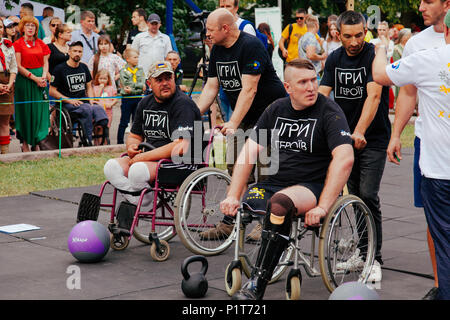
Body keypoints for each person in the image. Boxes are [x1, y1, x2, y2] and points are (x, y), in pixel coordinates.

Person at [221, 58, 354, 300]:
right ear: (288, 87)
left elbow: (345, 158)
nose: (311, 87)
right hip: (276, 183)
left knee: (279, 204)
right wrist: (232, 194)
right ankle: (266, 261)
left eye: (314, 80)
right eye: (303, 82)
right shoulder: (276, 109)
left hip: (312, 186)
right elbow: (249, 152)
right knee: (250, 201)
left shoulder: (330, 112)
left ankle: (257, 284)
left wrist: (324, 206)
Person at [372, 10, 450, 301]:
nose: (421, 6)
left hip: (440, 169)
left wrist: (381, 47)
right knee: (440, 233)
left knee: (445, 237)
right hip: (436, 158)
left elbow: (380, 75)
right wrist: (396, 134)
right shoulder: (421, 47)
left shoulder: (431, 58)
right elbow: (407, 92)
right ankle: (441, 287)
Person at [195, 8, 287, 240]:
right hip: (244, 114)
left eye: (211, 30)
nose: (208, 35)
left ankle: (265, 223)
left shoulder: (251, 45)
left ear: (225, 28)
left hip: (270, 111)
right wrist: (192, 116)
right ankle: (229, 222)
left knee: (266, 171)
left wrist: (234, 121)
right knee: (235, 167)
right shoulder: (216, 49)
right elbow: (211, 87)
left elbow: (250, 89)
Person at [318, 11, 391, 283]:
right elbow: (322, 96)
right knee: (355, 196)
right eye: (348, 36)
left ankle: (375, 258)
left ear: (365, 31)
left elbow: (374, 96)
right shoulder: (335, 58)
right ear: (338, 33)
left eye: (359, 34)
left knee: (369, 195)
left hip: (373, 137)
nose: (354, 41)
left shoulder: (372, 55)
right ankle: (362, 251)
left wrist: (358, 132)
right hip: (346, 139)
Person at [103, 60, 201, 205]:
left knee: (137, 171)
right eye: (159, 80)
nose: (165, 83)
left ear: (174, 79)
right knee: (111, 167)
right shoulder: (145, 103)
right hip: (152, 160)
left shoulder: (183, 104)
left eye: (168, 78)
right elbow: (135, 135)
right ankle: (141, 199)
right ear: (149, 84)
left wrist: (143, 157)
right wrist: (132, 147)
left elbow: (181, 147)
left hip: (183, 163)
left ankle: (143, 201)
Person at [49, 41, 109, 146]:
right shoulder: (59, 69)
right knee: (87, 109)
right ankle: (88, 140)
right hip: (67, 104)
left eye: (80, 51)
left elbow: (89, 86)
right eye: (75, 51)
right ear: (69, 52)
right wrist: (69, 100)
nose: (77, 54)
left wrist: (91, 100)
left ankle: (100, 137)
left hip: (84, 102)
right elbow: (52, 91)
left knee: (98, 108)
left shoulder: (83, 67)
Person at [13, 16, 51, 152]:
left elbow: (45, 62)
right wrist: (34, 78)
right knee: (25, 111)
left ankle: (36, 140)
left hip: (40, 81)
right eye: (27, 25)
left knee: (39, 112)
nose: (30, 28)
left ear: (36, 29)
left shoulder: (41, 43)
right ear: (22, 28)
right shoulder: (17, 44)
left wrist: (43, 77)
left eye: (33, 26)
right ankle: (24, 142)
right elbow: (18, 65)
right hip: (25, 81)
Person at [117, 48, 145, 145]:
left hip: (138, 98)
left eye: (138, 57)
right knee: (124, 121)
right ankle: (119, 142)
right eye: (135, 57)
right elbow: (126, 85)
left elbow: (143, 85)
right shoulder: (123, 71)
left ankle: (136, 141)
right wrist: (139, 87)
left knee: (137, 121)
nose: (137, 59)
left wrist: (134, 88)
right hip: (127, 99)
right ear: (128, 59)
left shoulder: (140, 70)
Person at [131, 13, 172, 78]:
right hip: (142, 75)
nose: (154, 26)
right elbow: (132, 55)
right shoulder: (139, 37)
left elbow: (168, 57)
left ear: (160, 24)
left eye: (156, 24)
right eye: (152, 24)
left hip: (159, 75)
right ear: (147, 23)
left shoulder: (165, 38)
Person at [0, 19, 17, 154]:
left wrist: (10, 84)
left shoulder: (8, 45)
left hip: (7, 83)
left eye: (0, 27)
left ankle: (5, 154)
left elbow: (13, 68)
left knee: (5, 120)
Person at [92, 69, 116, 145]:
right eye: (101, 78)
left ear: (108, 79)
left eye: (105, 79)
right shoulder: (95, 88)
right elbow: (96, 98)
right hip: (98, 112)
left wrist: (112, 104)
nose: (102, 81)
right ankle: (97, 144)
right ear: (97, 79)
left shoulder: (111, 88)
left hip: (108, 112)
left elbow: (115, 98)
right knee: (98, 128)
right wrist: (100, 88)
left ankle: (105, 144)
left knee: (106, 128)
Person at [392, 28, 412, 98]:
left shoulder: (411, 47)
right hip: (401, 74)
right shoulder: (396, 49)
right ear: (402, 37)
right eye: (408, 36)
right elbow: (396, 63)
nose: (410, 37)